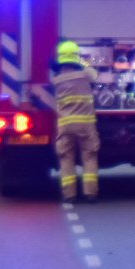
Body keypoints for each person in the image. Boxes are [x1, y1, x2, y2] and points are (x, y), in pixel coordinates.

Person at [52, 41, 100, 203]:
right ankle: (90, 193)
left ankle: (70, 195)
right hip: (86, 125)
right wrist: (84, 62)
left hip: (65, 125)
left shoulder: (57, 80)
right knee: (89, 157)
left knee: (66, 158)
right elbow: (95, 75)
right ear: (76, 57)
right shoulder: (85, 75)